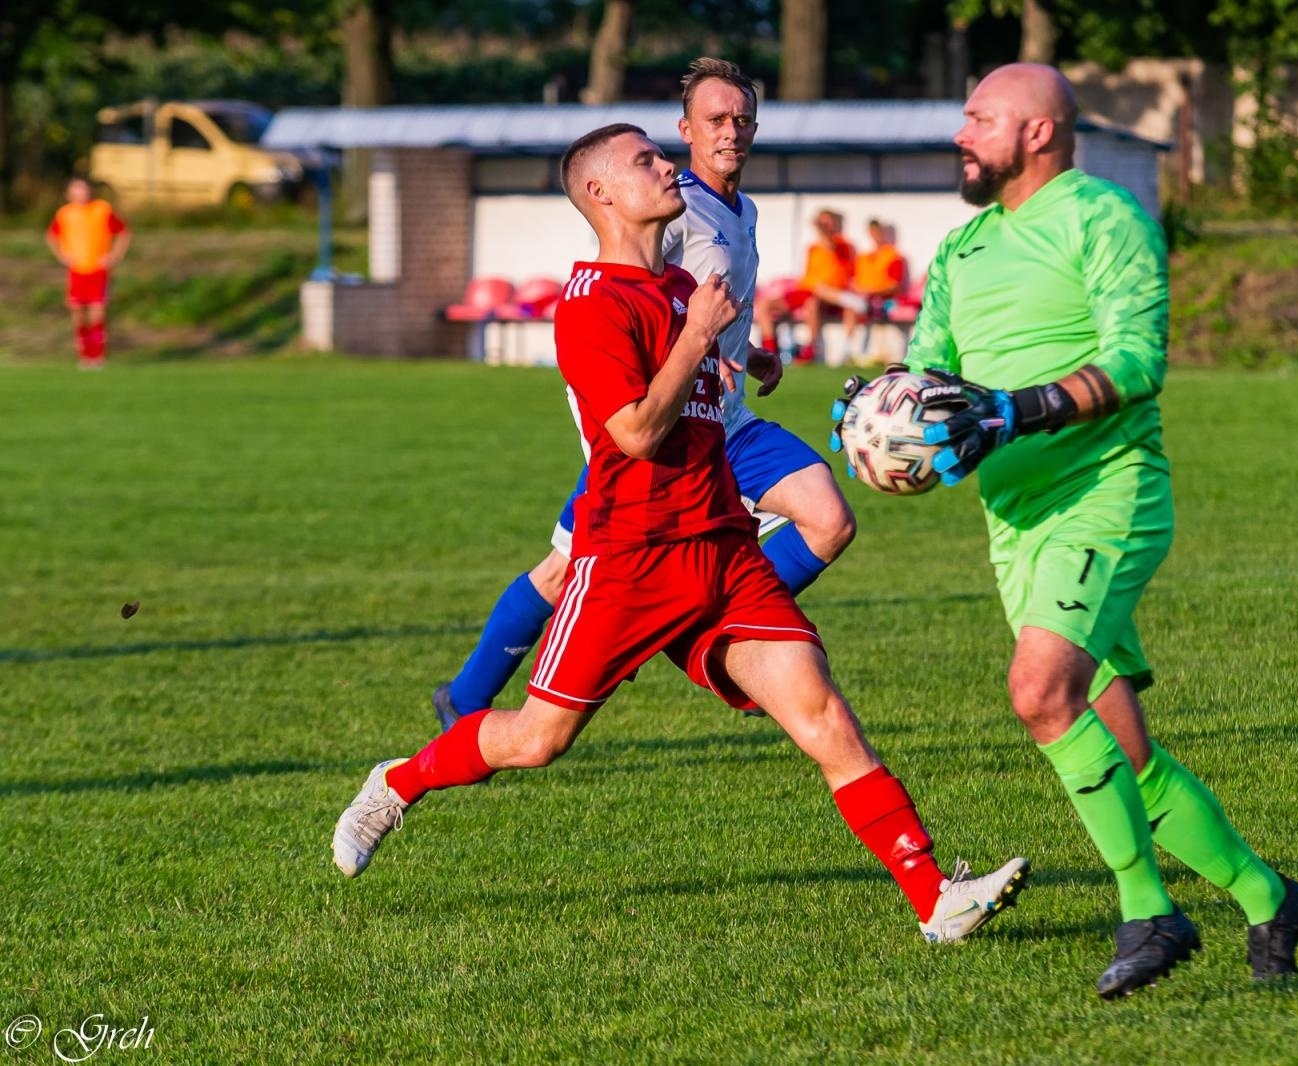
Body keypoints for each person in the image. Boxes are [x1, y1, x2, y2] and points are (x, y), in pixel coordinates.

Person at [333, 123, 1030, 945]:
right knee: (536, 739)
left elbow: (697, 373)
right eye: (646, 161)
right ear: (601, 193)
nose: (667, 166)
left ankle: (934, 897)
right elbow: (633, 432)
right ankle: (398, 783)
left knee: (823, 714)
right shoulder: (590, 303)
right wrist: (698, 336)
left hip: (726, 553)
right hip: (629, 561)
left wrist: (740, 354)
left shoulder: (678, 287)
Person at [833, 64, 1298, 997]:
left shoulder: (1104, 217)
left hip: (1107, 491)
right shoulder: (964, 246)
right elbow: (928, 369)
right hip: (1015, 522)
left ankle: (1149, 912)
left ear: (1038, 133)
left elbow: (1137, 361)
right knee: (1121, 753)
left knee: (1039, 691)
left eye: (980, 118)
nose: (961, 133)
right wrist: (888, 423)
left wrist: (1016, 411)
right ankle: (1269, 898)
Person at [432, 59, 857, 731]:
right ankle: (465, 698)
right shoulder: (670, 203)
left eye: (742, 119)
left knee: (829, 519)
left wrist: (745, 351)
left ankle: (731, 637)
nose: (731, 131)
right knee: (560, 574)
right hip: (656, 426)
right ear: (686, 130)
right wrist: (691, 353)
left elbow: (699, 302)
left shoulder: (743, 209)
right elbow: (634, 288)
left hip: (727, 419)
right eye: (715, 120)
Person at [45, 177, 130, 369]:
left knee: (97, 313)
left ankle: (97, 355)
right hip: (76, 270)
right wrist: (62, 255)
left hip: (98, 269)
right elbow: (51, 236)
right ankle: (84, 355)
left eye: (83, 189)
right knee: (78, 313)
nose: (81, 193)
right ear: (69, 193)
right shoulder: (65, 214)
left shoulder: (101, 209)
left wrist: (114, 255)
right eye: (76, 190)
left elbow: (123, 232)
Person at [753, 209, 854, 364]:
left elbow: (830, 245)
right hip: (806, 290)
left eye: (827, 222)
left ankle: (811, 349)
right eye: (822, 222)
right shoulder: (813, 247)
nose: (823, 225)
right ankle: (770, 351)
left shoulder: (843, 245)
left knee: (811, 304)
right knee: (764, 305)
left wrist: (823, 229)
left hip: (827, 296)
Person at [840, 220, 908, 363]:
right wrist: (858, 290)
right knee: (852, 306)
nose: (876, 235)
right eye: (873, 232)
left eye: (879, 232)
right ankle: (851, 350)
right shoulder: (863, 258)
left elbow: (894, 286)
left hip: (884, 301)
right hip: (863, 300)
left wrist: (869, 291)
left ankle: (855, 352)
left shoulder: (893, 256)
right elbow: (853, 280)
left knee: (854, 306)